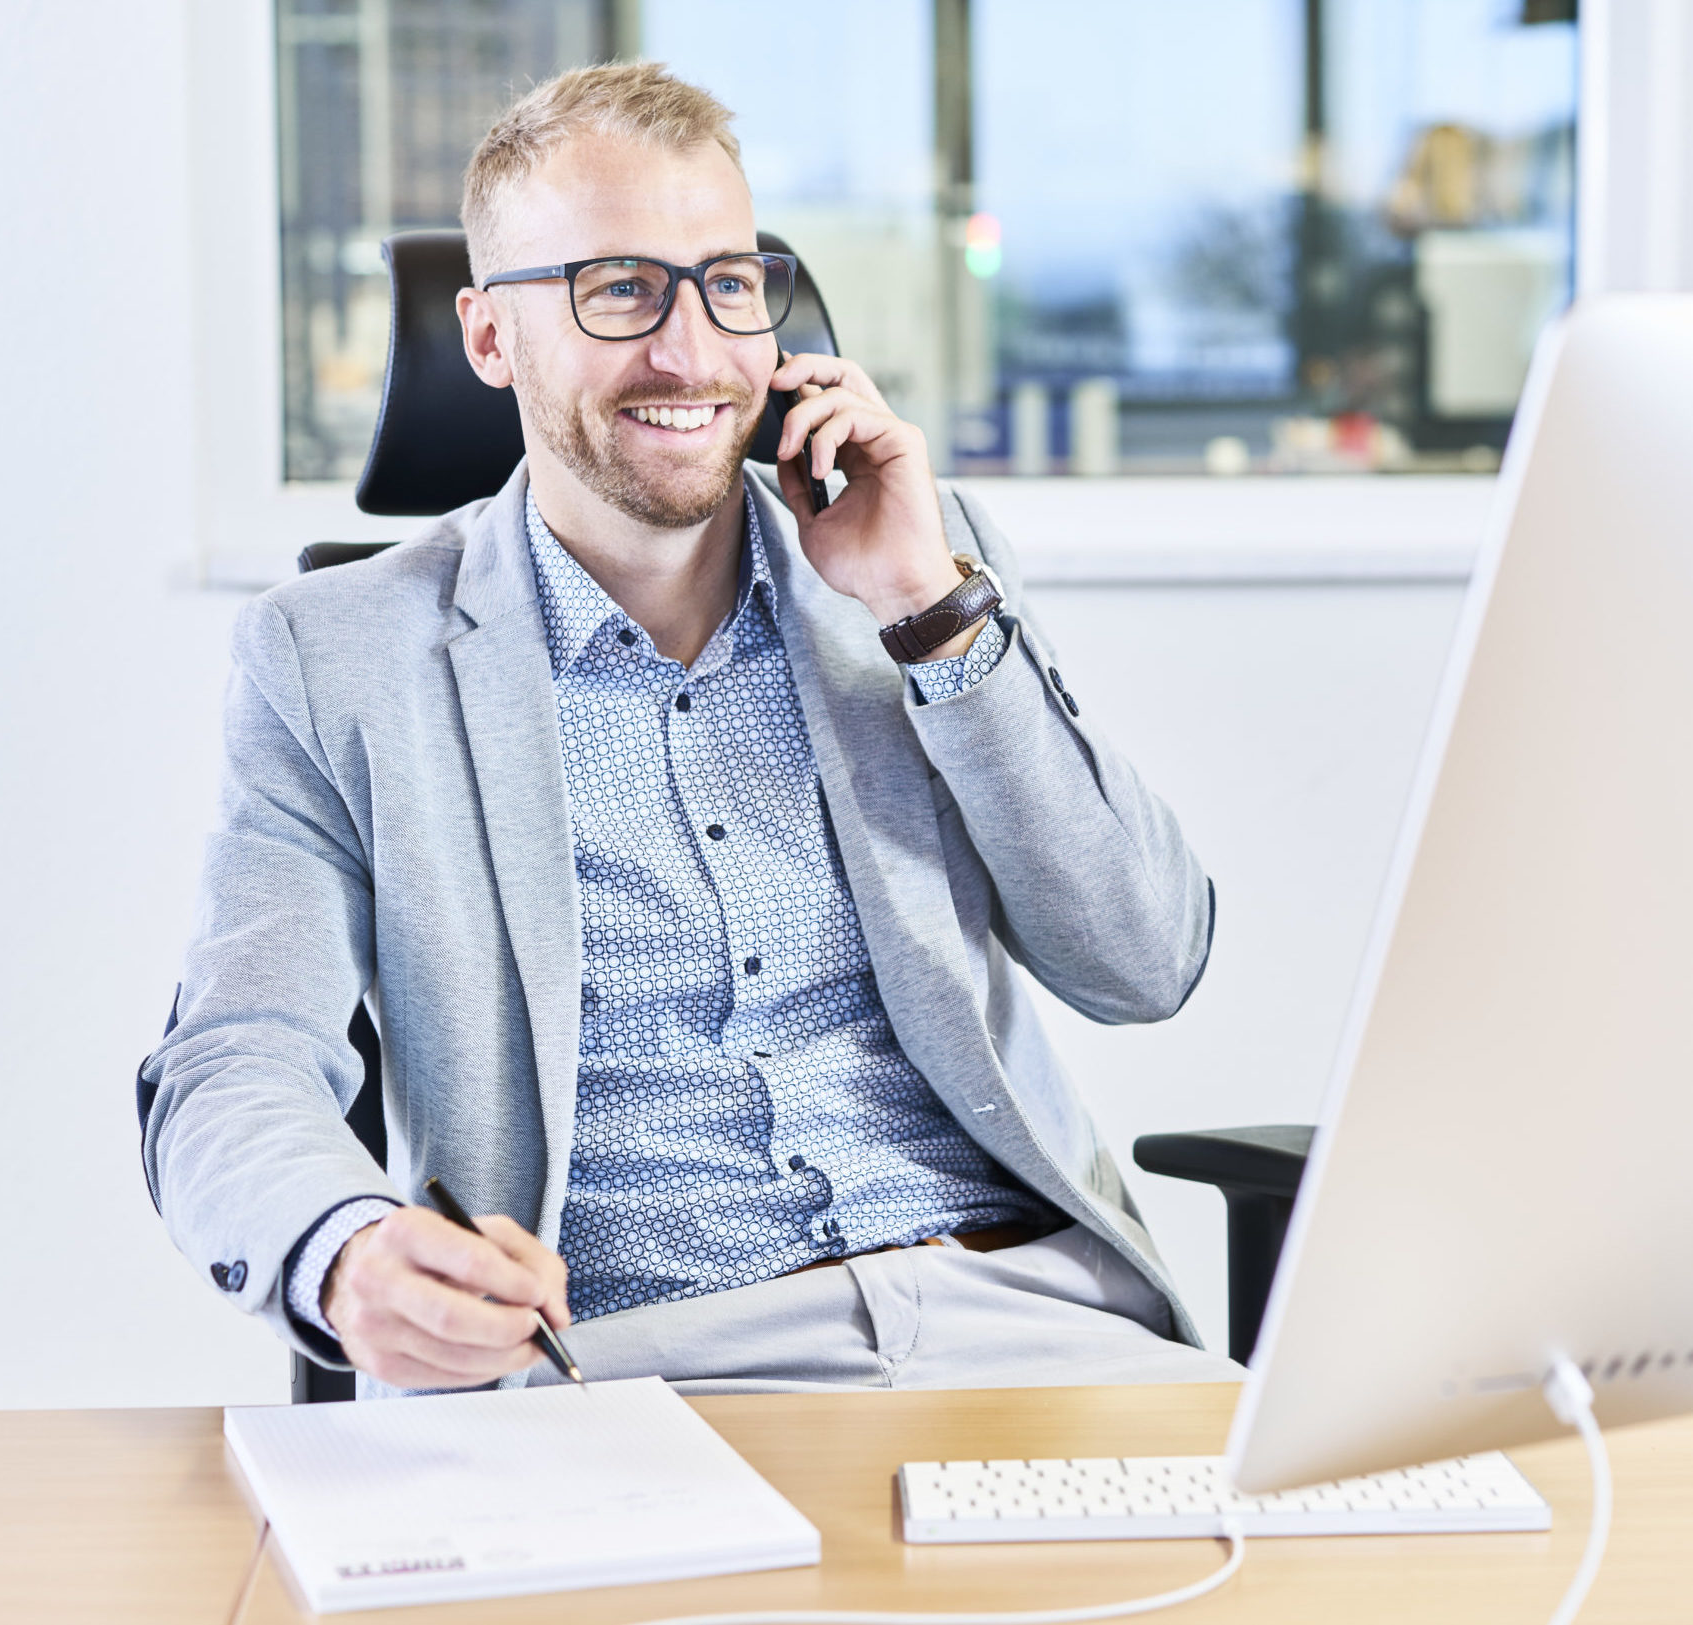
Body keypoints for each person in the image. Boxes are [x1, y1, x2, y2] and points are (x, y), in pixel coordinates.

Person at [139, 62, 1231, 1397]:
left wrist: (930, 609)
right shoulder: (336, 659)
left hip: (1021, 1317)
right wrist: (342, 1250)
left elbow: (1146, 959)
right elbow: (231, 1059)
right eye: (617, 290)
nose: (693, 353)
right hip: (643, 1371)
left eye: (727, 282)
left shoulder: (922, 577)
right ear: (489, 338)